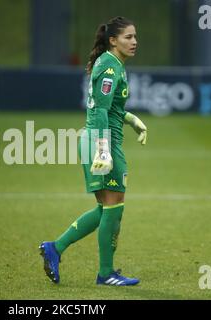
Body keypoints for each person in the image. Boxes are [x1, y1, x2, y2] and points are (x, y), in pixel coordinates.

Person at [39, 16, 147, 286]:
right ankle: (106, 273)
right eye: (128, 37)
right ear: (113, 40)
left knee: (107, 209)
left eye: (135, 37)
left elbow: (111, 108)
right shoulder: (110, 67)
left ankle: (55, 248)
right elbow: (98, 109)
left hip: (102, 139)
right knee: (114, 209)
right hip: (103, 141)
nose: (134, 42)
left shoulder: (115, 65)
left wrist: (132, 120)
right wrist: (103, 150)